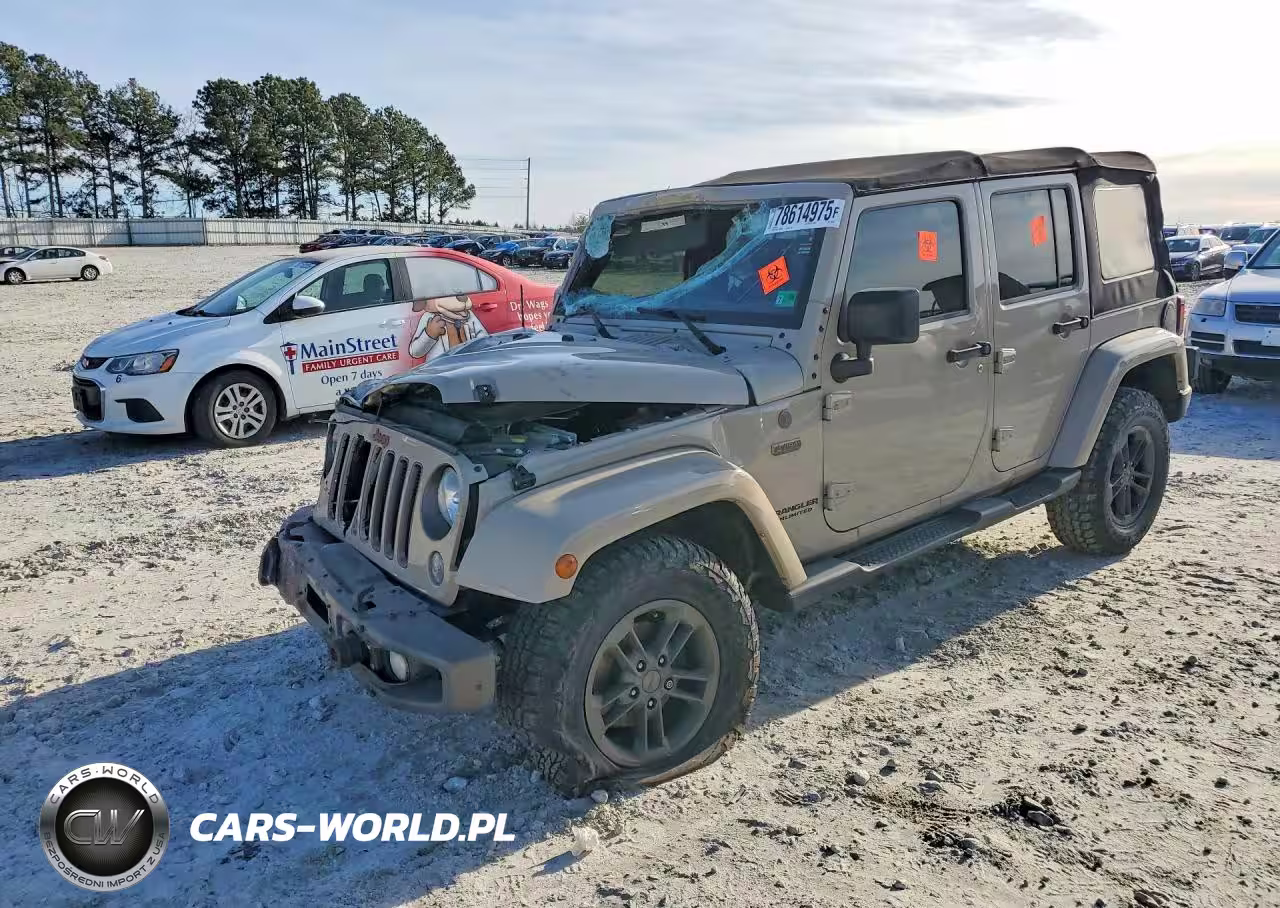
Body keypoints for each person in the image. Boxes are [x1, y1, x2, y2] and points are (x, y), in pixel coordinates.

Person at [407, 294, 488, 362]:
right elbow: (415, 352)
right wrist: (429, 335)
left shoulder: (468, 315)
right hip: (441, 370)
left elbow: (484, 340)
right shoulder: (429, 318)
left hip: (467, 365)